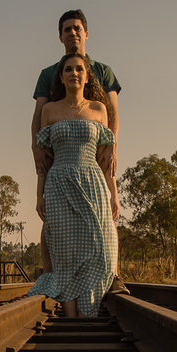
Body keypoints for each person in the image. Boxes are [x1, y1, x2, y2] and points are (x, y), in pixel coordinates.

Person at [31, 9, 128, 294]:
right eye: (66, 29)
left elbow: (113, 113)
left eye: (77, 28)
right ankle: (51, 275)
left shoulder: (102, 70)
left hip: (95, 146)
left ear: (86, 33)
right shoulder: (49, 73)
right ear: (60, 37)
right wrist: (36, 149)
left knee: (105, 214)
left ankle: (113, 275)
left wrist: (112, 146)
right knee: (52, 212)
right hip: (59, 147)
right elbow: (38, 115)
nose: (72, 33)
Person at [27, 53, 118, 317]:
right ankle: (70, 319)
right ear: (62, 76)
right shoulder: (49, 110)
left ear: (87, 76)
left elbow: (106, 161)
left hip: (92, 181)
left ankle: (89, 312)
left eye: (79, 69)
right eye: (68, 69)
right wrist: (39, 195)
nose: (74, 73)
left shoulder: (99, 110)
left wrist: (113, 194)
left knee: (99, 247)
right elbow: (43, 160)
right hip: (58, 184)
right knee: (64, 253)